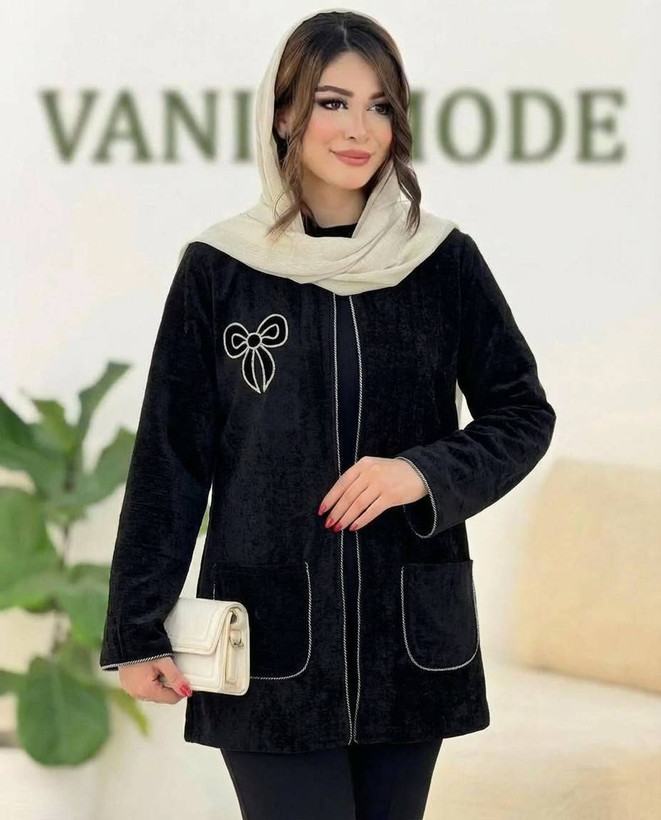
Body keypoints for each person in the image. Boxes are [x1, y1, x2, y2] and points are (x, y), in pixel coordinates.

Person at [99, 7, 557, 819]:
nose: (358, 129)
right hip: (268, 636)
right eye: (331, 102)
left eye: (379, 106)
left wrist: (419, 473)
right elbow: (171, 458)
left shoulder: (440, 261)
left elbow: (521, 414)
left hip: (407, 639)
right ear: (283, 115)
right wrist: (135, 630)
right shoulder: (221, 269)